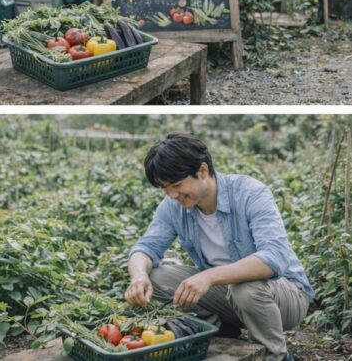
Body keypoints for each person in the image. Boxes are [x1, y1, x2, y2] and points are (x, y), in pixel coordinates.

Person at [125, 133, 312, 361]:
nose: (172, 194)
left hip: (283, 295)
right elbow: (146, 247)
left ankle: (275, 355)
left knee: (245, 289)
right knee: (156, 277)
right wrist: (138, 278)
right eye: (165, 188)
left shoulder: (250, 193)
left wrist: (209, 277)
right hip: (230, 295)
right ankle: (221, 333)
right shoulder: (173, 206)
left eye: (176, 185)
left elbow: (274, 257)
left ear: (202, 171)